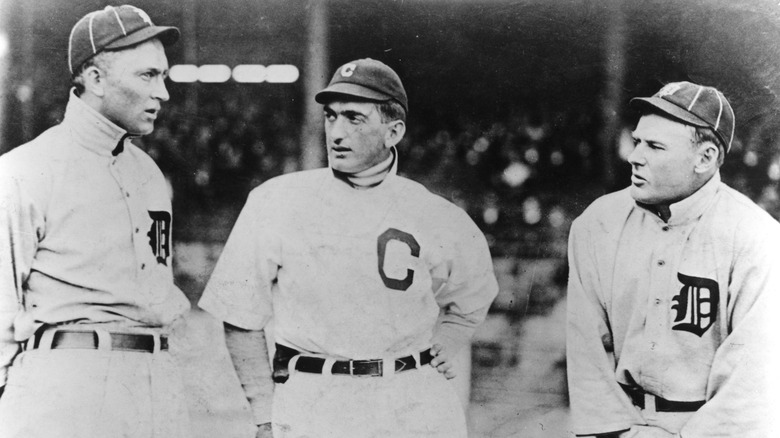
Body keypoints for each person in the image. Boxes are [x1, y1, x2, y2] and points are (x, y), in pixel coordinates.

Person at [199, 58, 499, 438]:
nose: (336, 132)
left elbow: (474, 294)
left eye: (354, 119)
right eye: (331, 116)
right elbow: (239, 315)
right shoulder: (276, 200)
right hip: (314, 394)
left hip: (409, 397)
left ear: (394, 132)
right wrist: (263, 412)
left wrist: (447, 341)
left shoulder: (437, 215)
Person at [0, 5, 191, 437]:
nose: (163, 93)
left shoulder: (148, 174)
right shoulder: (26, 170)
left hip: (155, 378)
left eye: (163, 76)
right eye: (148, 76)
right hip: (67, 379)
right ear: (96, 79)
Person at [566, 81, 780, 437]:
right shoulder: (598, 222)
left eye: (655, 146)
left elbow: (753, 379)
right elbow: (586, 348)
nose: (635, 156)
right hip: (620, 427)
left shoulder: (757, 236)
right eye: (637, 142)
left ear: (705, 158)